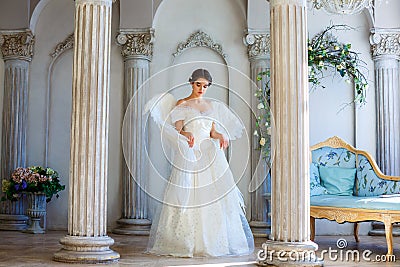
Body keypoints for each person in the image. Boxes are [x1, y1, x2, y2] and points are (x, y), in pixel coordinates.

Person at [146, 68, 254, 257]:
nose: (201, 89)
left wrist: (220, 135)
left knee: (215, 195)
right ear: (191, 83)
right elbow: (177, 129)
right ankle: (186, 242)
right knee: (189, 192)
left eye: (205, 86)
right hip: (191, 153)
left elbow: (212, 131)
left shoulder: (210, 106)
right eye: (198, 84)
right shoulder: (182, 104)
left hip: (211, 154)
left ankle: (215, 241)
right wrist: (186, 133)